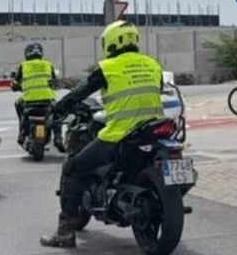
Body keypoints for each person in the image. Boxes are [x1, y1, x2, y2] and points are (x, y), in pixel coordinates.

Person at [40, 20, 163, 248]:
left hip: (120, 135)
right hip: (153, 131)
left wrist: (58, 108)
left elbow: (79, 92)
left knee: (73, 169)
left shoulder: (108, 67)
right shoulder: (153, 65)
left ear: (111, 42)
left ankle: (65, 232)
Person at [12, 42, 59, 145]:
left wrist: (18, 87)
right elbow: (55, 83)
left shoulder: (23, 66)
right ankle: (58, 137)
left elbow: (14, 84)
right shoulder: (48, 64)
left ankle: (22, 132)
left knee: (17, 104)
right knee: (57, 113)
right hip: (48, 101)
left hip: (29, 101)